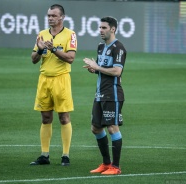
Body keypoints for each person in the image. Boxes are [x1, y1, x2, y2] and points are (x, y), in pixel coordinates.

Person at [30, 4, 77, 166]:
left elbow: (71, 58)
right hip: (44, 79)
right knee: (46, 117)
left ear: (61, 17)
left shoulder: (70, 35)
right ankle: (44, 155)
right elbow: (33, 59)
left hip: (61, 79)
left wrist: (54, 50)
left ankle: (65, 155)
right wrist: (41, 50)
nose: (50, 18)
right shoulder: (42, 34)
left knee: (63, 117)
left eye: (53, 15)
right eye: (49, 15)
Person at [83, 16, 127, 175]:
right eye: (100, 27)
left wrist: (97, 67)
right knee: (95, 128)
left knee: (112, 127)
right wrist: (94, 69)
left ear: (113, 29)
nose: (100, 30)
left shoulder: (119, 48)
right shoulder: (101, 47)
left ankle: (116, 167)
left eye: (103, 28)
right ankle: (106, 163)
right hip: (100, 93)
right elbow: (104, 69)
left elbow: (117, 71)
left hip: (113, 94)